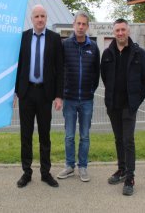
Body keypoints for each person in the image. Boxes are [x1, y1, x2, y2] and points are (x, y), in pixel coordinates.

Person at [100, 18, 145, 196]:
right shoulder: (107, 53)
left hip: (129, 106)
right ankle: (121, 170)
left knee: (128, 140)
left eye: (123, 30)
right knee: (118, 139)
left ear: (128, 31)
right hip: (113, 105)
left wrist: (136, 101)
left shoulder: (138, 53)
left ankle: (130, 177)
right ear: (113, 33)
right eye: (117, 30)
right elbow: (105, 77)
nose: (120, 33)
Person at [15, 4, 63, 188]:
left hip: (45, 94)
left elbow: (60, 68)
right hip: (26, 93)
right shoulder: (23, 38)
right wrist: (15, 92)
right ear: (31, 19)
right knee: (25, 135)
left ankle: (45, 173)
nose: (40, 19)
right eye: (37, 16)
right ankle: (26, 172)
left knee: (45, 135)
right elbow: (17, 67)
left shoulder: (54, 38)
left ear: (46, 18)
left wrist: (59, 96)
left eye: (43, 16)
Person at [57, 11, 100, 182]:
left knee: (85, 136)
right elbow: (59, 71)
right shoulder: (65, 45)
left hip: (87, 100)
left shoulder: (94, 47)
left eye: (84, 24)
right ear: (73, 25)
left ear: (87, 26)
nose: (81, 27)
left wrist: (90, 90)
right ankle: (69, 166)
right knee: (69, 135)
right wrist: (62, 93)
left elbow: (97, 73)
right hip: (69, 99)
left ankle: (83, 167)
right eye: (78, 24)